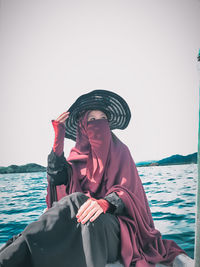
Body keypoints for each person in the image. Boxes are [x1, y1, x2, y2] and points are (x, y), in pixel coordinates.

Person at [0, 90, 187, 267]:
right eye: (92, 119)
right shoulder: (75, 159)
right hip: (80, 224)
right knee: (76, 207)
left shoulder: (120, 151)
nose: (99, 123)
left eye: (103, 119)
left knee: (80, 205)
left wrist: (105, 203)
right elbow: (56, 178)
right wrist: (59, 138)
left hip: (119, 232)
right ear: (82, 125)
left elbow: (131, 193)